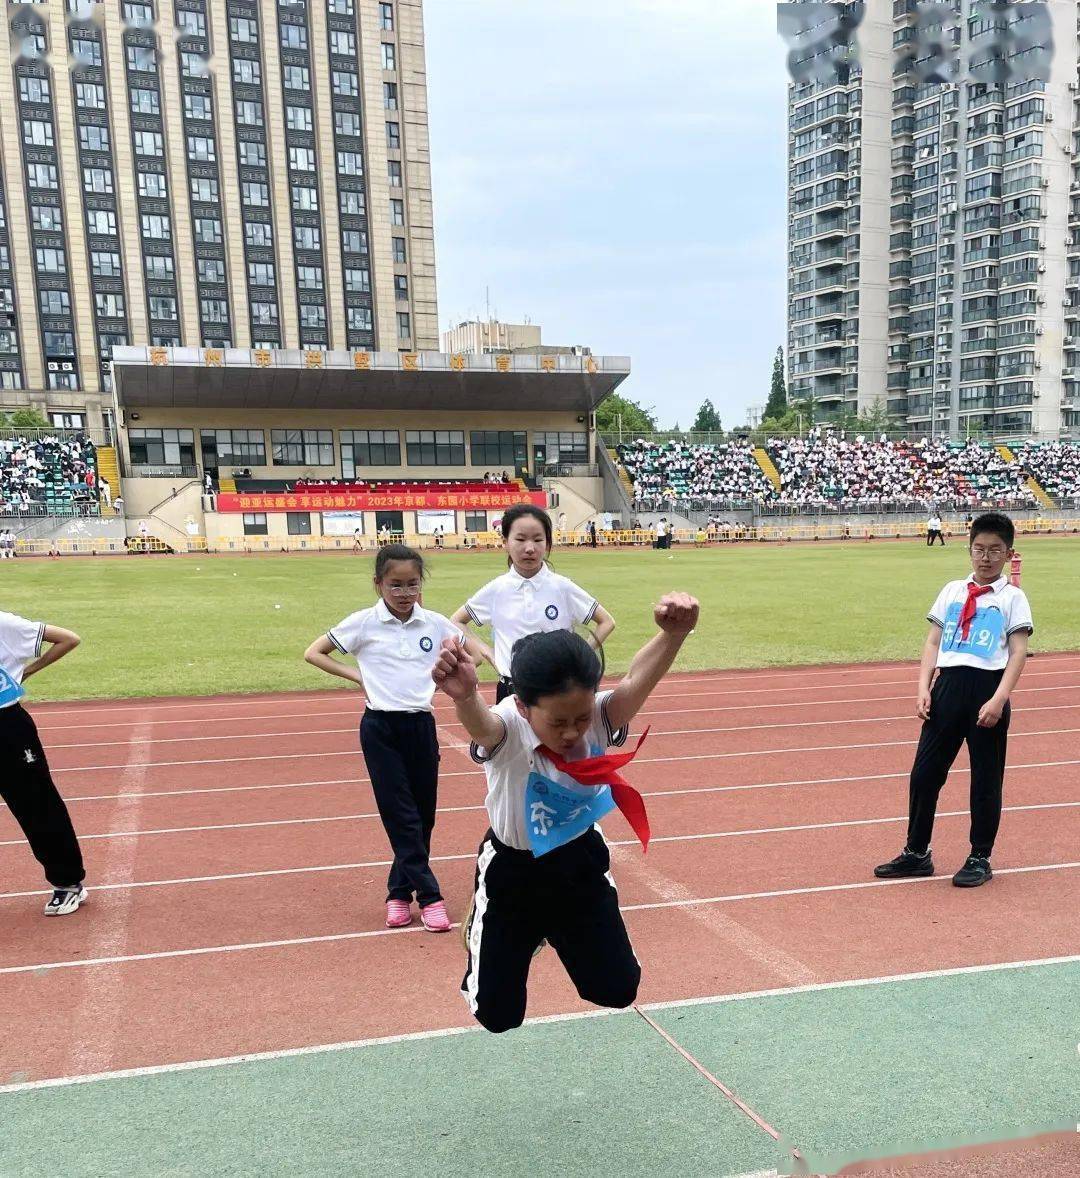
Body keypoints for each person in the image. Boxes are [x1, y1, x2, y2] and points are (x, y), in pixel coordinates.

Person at [432, 592, 700, 1033]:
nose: (573, 731)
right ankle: (502, 928)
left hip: (577, 862)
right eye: (558, 722)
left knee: (617, 990)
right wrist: (463, 698)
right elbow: (483, 726)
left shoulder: (596, 714)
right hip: (514, 873)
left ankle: (554, 929)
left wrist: (674, 634)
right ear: (523, 705)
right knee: (497, 1017)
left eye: (579, 717)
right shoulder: (508, 724)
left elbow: (636, 683)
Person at [304, 545, 482, 932]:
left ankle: (399, 893)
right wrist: (357, 676)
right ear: (378, 584)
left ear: (422, 584)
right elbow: (314, 652)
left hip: (420, 726)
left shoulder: (434, 624)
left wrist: (450, 667)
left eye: (412, 584)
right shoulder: (363, 623)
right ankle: (431, 897)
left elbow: (476, 655)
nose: (404, 592)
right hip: (380, 728)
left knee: (423, 818)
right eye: (395, 584)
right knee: (400, 815)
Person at [875, 513, 1034, 889]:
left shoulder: (1012, 598)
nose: (986, 557)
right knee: (925, 774)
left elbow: (1019, 652)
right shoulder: (952, 590)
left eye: (995, 550)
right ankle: (917, 852)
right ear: (969, 549)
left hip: (986, 690)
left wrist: (999, 699)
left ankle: (980, 856)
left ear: (1008, 553)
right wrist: (923, 687)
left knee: (985, 779)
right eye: (979, 549)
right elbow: (933, 641)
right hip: (947, 689)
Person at [450, 504, 616, 704]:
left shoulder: (562, 587)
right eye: (520, 539)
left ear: (547, 544)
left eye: (538, 540)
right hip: (511, 691)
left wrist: (578, 658)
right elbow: (457, 621)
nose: (529, 548)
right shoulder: (496, 589)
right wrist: (489, 654)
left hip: (556, 691)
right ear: (505, 542)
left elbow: (606, 622)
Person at [0, 610, 88, 915]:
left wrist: (26, 672)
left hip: (7, 727)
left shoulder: (4, 624)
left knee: (36, 805)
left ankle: (68, 883)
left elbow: (68, 639)